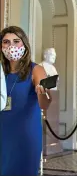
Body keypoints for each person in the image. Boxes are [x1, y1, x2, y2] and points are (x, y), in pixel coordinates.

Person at [0, 26, 52, 175]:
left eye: (16, 41)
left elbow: (45, 103)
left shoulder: (36, 70)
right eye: (6, 42)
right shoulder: (0, 71)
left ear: (24, 45)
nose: (11, 46)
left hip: (25, 135)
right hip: (3, 133)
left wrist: (42, 92)